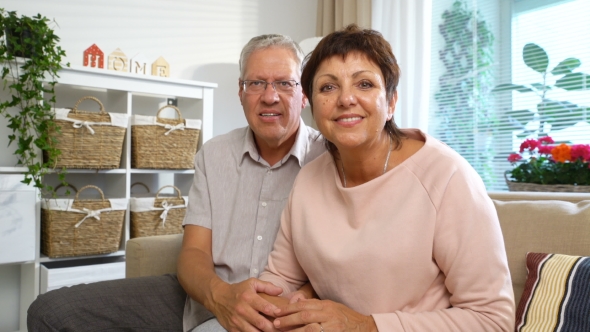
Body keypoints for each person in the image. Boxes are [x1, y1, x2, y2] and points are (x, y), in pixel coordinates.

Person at [27, 34, 325, 332]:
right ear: (240, 91)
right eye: (256, 83)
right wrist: (221, 297)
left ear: (305, 93)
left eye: (285, 83)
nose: (269, 96)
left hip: (285, 310)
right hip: (202, 296)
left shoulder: (328, 156)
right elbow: (194, 252)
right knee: (49, 312)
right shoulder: (214, 153)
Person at [258, 24, 516, 331]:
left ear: (391, 102)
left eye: (364, 84)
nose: (345, 99)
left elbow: (492, 320)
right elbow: (280, 282)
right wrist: (269, 303)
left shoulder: (447, 176)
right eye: (328, 87)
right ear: (313, 107)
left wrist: (366, 326)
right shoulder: (308, 179)